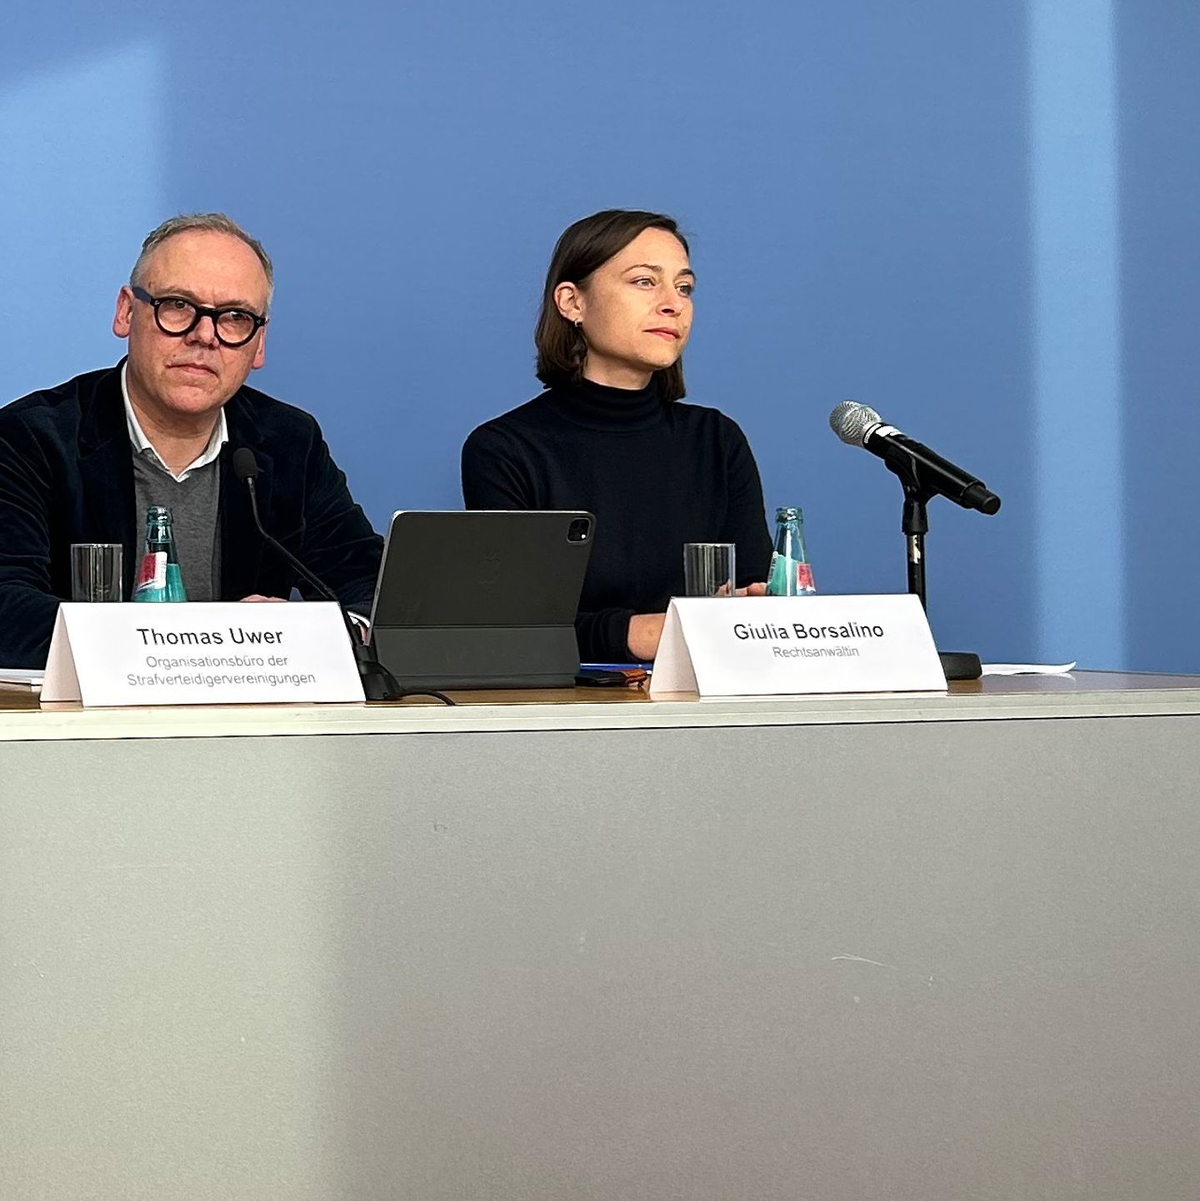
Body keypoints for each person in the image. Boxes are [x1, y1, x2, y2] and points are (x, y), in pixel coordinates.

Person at [0, 213, 382, 668]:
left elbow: (372, 587)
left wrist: (313, 633)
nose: (205, 336)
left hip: (254, 729)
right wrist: (212, 641)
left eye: (235, 317)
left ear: (259, 344)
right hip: (89, 730)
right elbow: (7, 608)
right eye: (179, 305)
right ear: (126, 311)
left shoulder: (288, 442)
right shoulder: (29, 438)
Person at [461, 209, 771, 662]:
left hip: (708, 696)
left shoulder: (716, 440)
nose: (673, 303)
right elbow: (518, 627)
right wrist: (638, 633)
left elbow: (753, 601)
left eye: (684, 287)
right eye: (645, 281)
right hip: (572, 709)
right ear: (572, 303)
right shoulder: (506, 449)